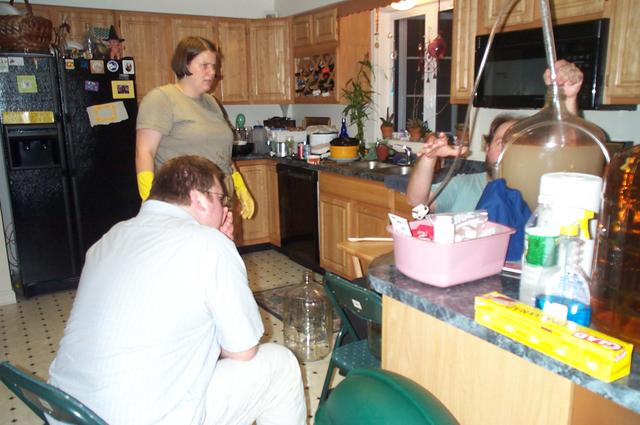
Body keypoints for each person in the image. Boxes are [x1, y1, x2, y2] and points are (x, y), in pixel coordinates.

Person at [48, 156, 306, 425]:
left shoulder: (110, 238)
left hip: (65, 413)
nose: (224, 209)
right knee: (281, 365)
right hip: (142, 419)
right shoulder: (209, 245)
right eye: (221, 199)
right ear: (199, 199)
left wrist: (218, 245)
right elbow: (243, 350)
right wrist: (222, 247)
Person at [406, 59, 583, 212]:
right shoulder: (464, 185)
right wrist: (429, 157)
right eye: (501, 143)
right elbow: (417, 202)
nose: (507, 152)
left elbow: (568, 155)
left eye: (515, 146)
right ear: (487, 147)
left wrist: (567, 98)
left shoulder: (534, 193)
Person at [136, 36, 255, 219]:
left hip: (220, 202)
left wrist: (239, 184)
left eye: (214, 66)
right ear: (185, 64)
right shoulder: (161, 99)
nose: (212, 72)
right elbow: (145, 152)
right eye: (204, 65)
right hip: (183, 204)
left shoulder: (212, 102)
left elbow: (220, 151)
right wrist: (151, 201)